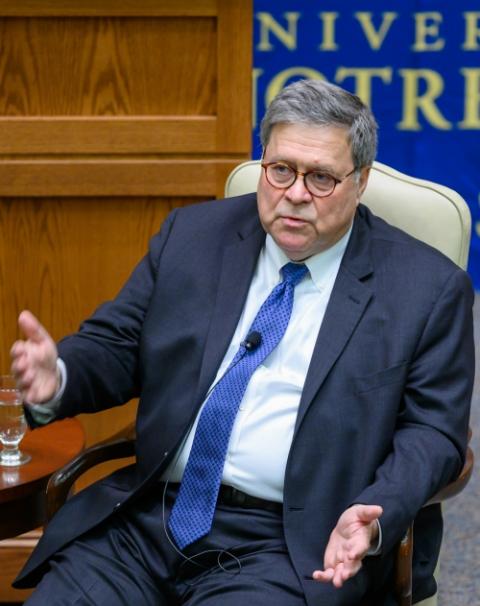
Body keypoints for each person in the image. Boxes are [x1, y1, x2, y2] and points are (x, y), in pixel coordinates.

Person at [11, 79, 474, 606]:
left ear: (360, 181)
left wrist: (377, 512)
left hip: (290, 543)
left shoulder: (425, 289)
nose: (295, 194)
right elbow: (118, 346)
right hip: (149, 523)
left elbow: (434, 432)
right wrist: (60, 376)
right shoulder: (192, 237)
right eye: (281, 170)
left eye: (321, 178)